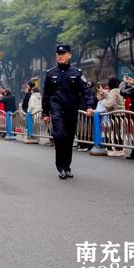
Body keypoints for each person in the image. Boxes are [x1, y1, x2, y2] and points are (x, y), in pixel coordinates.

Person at [42, 44, 95, 179]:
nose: (60, 56)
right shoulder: (50, 73)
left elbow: (86, 91)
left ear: (69, 55)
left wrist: (89, 106)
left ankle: (67, 166)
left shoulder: (76, 73)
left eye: (63, 53)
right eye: (59, 54)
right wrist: (45, 113)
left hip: (71, 108)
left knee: (69, 138)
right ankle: (60, 167)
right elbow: (46, 95)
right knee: (59, 135)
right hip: (56, 108)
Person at [101, 76, 125, 157]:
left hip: (115, 114)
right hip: (120, 113)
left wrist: (102, 102)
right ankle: (120, 149)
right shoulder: (118, 90)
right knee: (118, 132)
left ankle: (118, 150)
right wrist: (104, 93)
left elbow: (110, 103)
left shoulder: (113, 91)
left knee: (116, 132)